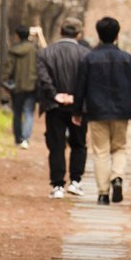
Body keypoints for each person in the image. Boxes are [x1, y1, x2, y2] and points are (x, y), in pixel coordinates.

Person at [72, 16, 131, 205]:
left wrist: (77, 111)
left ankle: (103, 193)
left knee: (100, 151)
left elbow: (80, 87)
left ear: (99, 35)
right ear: (117, 35)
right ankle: (117, 176)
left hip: (96, 111)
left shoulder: (89, 59)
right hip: (121, 111)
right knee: (119, 148)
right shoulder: (128, 59)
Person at [36, 19, 91, 199]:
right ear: (79, 34)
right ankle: (76, 181)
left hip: (54, 106)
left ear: (60, 31)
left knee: (56, 145)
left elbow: (43, 78)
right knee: (79, 143)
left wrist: (55, 94)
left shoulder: (45, 53)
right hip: (78, 107)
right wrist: (76, 96)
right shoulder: (85, 54)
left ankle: (57, 184)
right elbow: (88, 80)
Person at [1, 25, 39, 149]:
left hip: (16, 87)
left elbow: (8, 68)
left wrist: (5, 82)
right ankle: (26, 139)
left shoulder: (13, 51)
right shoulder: (34, 50)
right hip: (32, 86)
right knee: (28, 113)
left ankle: (18, 139)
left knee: (17, 113)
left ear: (17, 35)